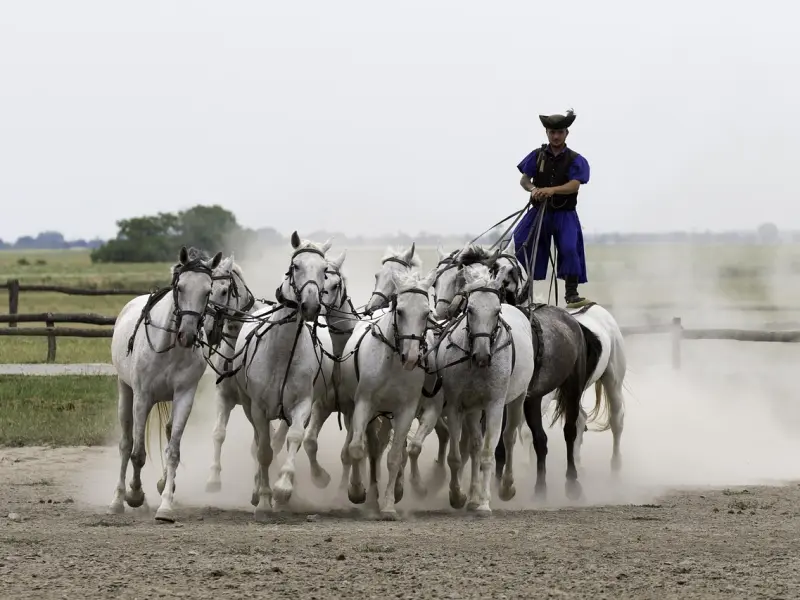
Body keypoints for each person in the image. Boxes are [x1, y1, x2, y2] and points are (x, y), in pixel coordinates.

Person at [512, 108, 590, 305]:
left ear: (566, 133)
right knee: (520, 241)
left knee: (570, 248)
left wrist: (551, 190)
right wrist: (533, 189)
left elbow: (574, 185)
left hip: (565, 214)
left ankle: (571, 293)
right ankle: (524, 288)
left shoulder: (575, 159)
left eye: (560, 132)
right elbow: (524, 180)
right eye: (552, 132)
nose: (556, 136)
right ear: (547, 133)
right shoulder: (537, 155)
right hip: (541, 212)